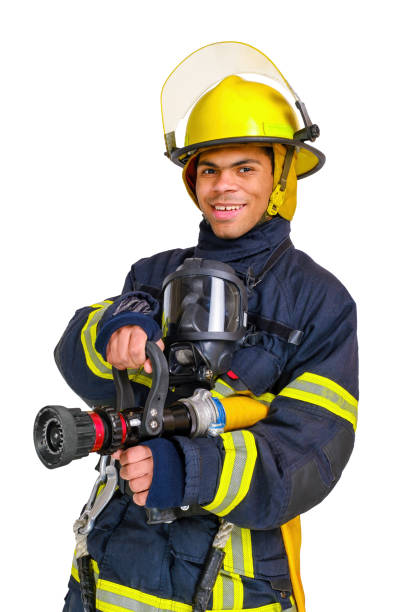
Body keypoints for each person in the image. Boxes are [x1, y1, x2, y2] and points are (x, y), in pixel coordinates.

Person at [57, 42, 358, 612]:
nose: (224, 187)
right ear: (193, 181)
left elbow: (312, 454)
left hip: (232, 589)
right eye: (210, 170)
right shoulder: (155, 275)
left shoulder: (320, 301)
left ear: (281, 177)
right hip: (111, 578)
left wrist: (190, 470)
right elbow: (77, 363)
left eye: (246, 168)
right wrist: (115, 332)